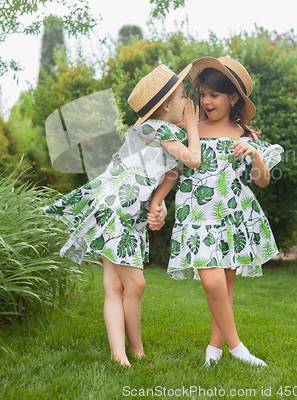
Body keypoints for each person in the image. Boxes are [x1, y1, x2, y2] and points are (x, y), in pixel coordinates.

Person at [45, 63, 201, 366]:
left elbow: (171, 172)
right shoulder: (158, 128)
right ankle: (131, 351)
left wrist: (158, 201)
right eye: (184, 96)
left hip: (125, 213)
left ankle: (125, 353)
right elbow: (193, 160)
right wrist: (193, 126)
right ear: (167, 104)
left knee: (114, 285)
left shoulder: (161, 133)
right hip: (115, 210)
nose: (188, 102)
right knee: (136, 284)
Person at [148, 56, 284, 367]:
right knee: (212, 283)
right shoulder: (191, 130)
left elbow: (261, 181)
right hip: (198, 215)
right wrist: (159, 200)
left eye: (214, 94)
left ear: (233, 97)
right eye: (202, 94)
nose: (206, 101)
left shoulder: (244, 136)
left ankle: (214, 349)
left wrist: (255, 155)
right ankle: (238, 348)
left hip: (233, 215)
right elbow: (175, 170)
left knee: (224, 285)